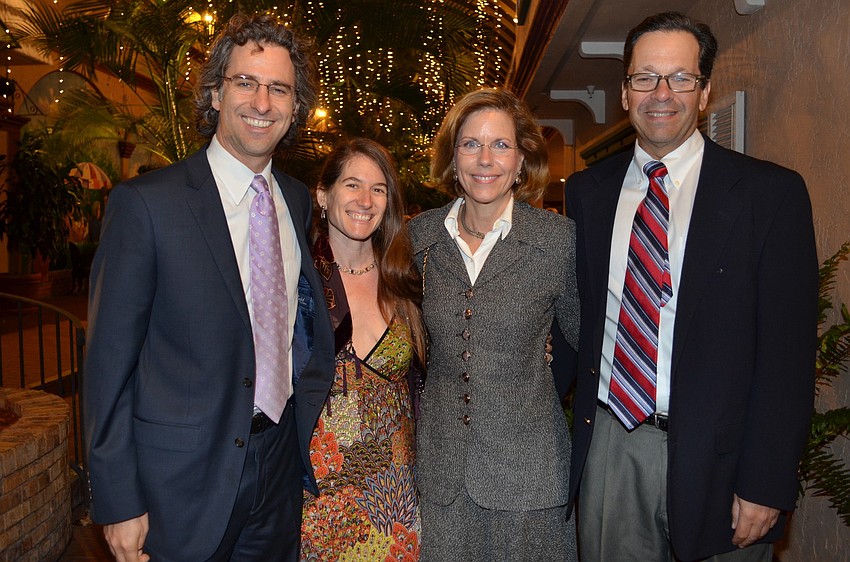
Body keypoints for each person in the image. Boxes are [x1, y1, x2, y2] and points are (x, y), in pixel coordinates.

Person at [563, 11, 817, 562]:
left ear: (704, 92)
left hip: (721, 461)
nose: (662, 93)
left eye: (680, 77)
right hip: (613, 448)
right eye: (645, 77)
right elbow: (572, 321)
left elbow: (787, 355)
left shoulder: (769, 195)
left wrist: (766, 480)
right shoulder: (586, 193)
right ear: (625, 92)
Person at [83, 13, 334, 562]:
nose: (261, 102)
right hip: (179, 486)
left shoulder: (294, 200)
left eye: (279, 89)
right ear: (217, 94)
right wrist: (118, 499)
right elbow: (107, 367)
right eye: (245, 82)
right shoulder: (147, 205)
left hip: (277, 470)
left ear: (294, 107)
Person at [407, 88, 581, 562]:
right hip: (444, 476)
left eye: (501, 145)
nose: (485, 159)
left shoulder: (558, 240)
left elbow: (589, 343)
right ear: (452, 157)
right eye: (470, 144)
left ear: (523, 159)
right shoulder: (419, 237)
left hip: (531, 476)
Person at [298, 138, 427, 560]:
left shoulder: (406, 278)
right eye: (352, 185)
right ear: (323, 194)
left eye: (378, 189)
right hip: (320, 504)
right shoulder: (298, 280)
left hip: (397, 502)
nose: (365, 200)